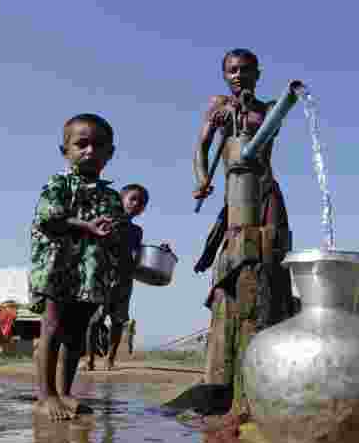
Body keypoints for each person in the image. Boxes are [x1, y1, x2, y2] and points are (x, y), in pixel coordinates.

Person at [192, 49, 296, 388]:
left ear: (257, 73)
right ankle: (226, 299)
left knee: (272, 246)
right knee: (235, 248)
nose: (238, 75)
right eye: (232, 70)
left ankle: (274, 314)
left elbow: (269, 129)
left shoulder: (266, 109)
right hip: (236, 193)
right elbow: (202, 146)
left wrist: (249, 108)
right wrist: (201, 179)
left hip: (264, 184)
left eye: (245, 70)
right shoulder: (218, 105)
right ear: (225, 74)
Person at [29, 113, 125, 420]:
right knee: (53, 329)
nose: (90, 152)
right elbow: (48, 218)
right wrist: (86, 226)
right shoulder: (58, 184)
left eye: (98, 146)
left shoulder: (111, 196)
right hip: (58, 270)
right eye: (81, 144)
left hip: (91, 275)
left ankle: (66, 392)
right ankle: (46, 396)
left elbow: (115, 232)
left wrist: (113, 234)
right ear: (65, 150)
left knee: (76, 335)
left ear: (110, 153)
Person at [85, 183, 168, 371]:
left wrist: (160, 251)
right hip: (102, 277)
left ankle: (110, 360)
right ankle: (89, 360)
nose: (137, 204)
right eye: (133, 199)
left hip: (124, 279)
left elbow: (137, 255)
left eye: (142, 202)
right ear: (121, 200)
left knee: (118, 320)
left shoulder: (136, 231)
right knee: (95, 319)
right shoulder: (106, 221)